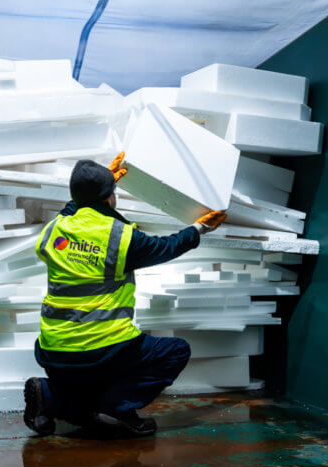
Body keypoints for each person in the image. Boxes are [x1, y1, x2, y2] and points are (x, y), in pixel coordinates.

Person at [24, 153, 227, 438]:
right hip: (103, 351)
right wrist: (198, 228)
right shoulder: (120, 239)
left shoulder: (53, 230)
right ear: (109, 197)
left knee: (89, 375)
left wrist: (97, 186)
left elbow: (71, 210)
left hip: (52, 353)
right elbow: (167, 247)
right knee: (176, 351)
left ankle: (50, 393)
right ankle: (117, 406)